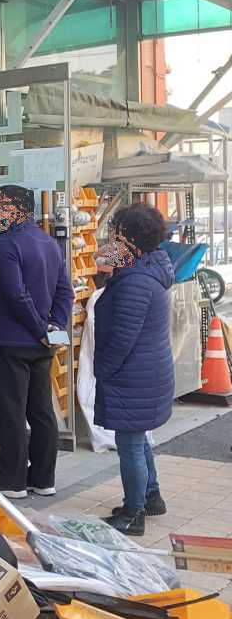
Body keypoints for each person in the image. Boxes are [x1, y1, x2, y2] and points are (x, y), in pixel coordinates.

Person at [0, 184, 73, 498]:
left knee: (9, 411)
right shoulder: (49, 243)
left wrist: (39, 329)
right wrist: (53, 328)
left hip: (10, 340)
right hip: (40, 345)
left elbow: (15, 294)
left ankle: (12, 480)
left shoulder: (6, 244)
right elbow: (65, 292)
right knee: (41, 410)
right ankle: (43, 478)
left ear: (15, 209)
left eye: (0, 207)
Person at [95, 203, 175, 536]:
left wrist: (102, 370)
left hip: (133, 375)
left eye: (115, 235)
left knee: (129, 444)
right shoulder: (149, 265)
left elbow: (122, 339)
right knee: (138, 439)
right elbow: (104, 261)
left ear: (129, 239)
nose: (110, 241)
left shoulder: (135, 282)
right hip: (147, 371)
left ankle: (134, 513)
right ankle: (151, 496)